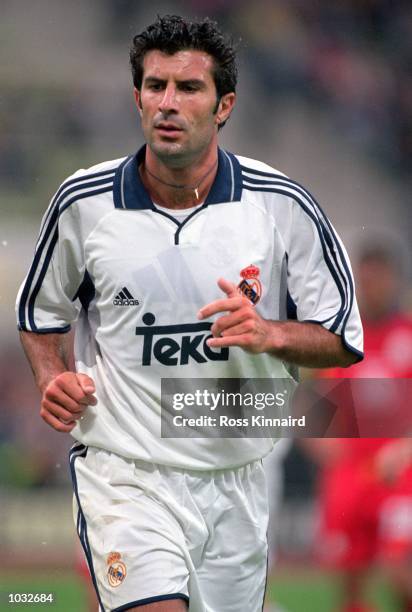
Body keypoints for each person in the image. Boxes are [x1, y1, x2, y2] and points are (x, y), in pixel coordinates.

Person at [16, 15, 363, 612]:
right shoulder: (84, 203)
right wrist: (52, 378)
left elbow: (342, 337)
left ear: (224, 105)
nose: (168, 103)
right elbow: (40, 312)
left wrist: (269, 332)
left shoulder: (282, 205)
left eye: (189, 88)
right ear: (137, 98)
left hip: (238, 478)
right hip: (127, 474)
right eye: (155, 87)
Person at [304, 244, 412, 612]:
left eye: (377, 278)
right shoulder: (346, 338)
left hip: (401, 474)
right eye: (364, 280)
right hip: (351, 475)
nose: (371, 287)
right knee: (351, 587)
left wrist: (405, 448)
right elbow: (319, 407)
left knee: (398, 569)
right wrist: (322, 442)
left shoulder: (408, 334)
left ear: (394, 280)